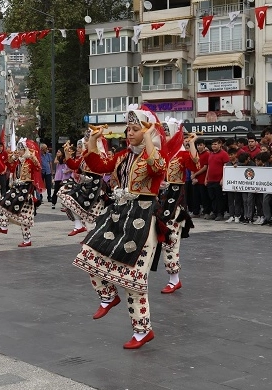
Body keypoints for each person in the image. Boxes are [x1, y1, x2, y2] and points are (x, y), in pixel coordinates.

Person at [72, 107, 166, 349]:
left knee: (134, 280)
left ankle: (142, 331)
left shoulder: (153, 155)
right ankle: (107, 295)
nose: (130, 133)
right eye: (129, 129)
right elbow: (98, 165)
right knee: (89, 251)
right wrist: (93, 139)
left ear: (147, 131)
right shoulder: (123, 156)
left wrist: (148, 138)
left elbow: (157, 167)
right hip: (118, 213)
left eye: (136, 129)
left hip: (144, 219)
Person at [155, 119, 198, 294]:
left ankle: (174, 279)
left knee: (170, 238)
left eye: (168, 131)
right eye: (163, 132)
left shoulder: (181, 154)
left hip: (175, 201)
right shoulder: (161, 151)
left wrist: (192, 144)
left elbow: (196, 165)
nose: (165, 134)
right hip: (160, 199)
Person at [0, 138, 44, 247]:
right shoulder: (20, 160)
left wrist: (33, 157)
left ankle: (27, 240)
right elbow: (8, 162)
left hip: (26, 189)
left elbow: (38, 168)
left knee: (24, 217)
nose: (19, 151)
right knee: (2, 204)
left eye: (20, 149)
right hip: (18, 187)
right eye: (18, 149)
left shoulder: (30, 160)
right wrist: (13, 156)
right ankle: (3, 226)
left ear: (25, 150)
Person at [58, 132, 110, 236]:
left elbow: (104, 170)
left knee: (91, 218)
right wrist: (67, 154)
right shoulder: (84, 155)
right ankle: (79, 227)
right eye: (85, 141)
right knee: (68, 199)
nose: (85, 143)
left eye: (88, 141)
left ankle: (92, 240)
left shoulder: (101, 155)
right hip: (85, 186)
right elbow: (74, 165)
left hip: (96, 189)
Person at [205, 138, 229, 221]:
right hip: (210, 180)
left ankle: (220, 213)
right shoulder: (210, 154)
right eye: (212, 144)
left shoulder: (224, 154)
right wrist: (206, 178)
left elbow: (226, 167)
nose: (213, 146)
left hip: (218, 180)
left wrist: (223, 179)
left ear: (220, 145)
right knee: (212, 197)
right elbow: (209, 167)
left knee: (219, 198)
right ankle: (214, 212)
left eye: (215, 144)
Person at [191, 138, 210, 218]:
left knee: (204, 197)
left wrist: (195, 174)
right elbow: (192, 165)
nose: (199, 147)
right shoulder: (195, 154)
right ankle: (196, 212)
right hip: (196, 180)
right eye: (198, 145)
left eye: (201, 145)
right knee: (195, 197)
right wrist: (193, 177)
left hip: (203, 179)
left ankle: (207, 212)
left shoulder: (207, 154)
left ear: (204, 145)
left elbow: (205, 167)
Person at [224, 148, 242, 223]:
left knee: (237, 200)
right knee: (230, 200)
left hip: (238, 184)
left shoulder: (240, 163)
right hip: (230, 185)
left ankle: (237, 215)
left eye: (231, 155)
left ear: (235, 154)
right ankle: (231, 215)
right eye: (229, 155)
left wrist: (237, 166)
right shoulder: (227, 164)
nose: (230, 156)